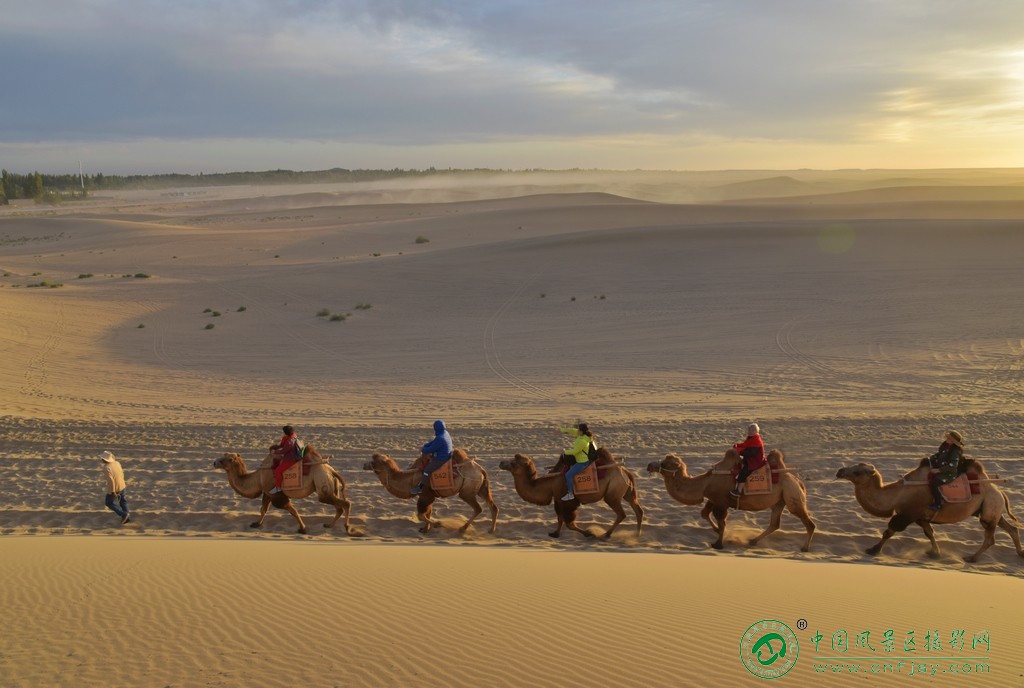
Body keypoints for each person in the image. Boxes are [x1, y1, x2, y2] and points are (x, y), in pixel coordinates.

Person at [410, 420, 453, 495]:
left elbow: (430, 449)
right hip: (445, 453)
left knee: (427, 470)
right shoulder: (445, 433)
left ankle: (420, 487)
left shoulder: (440, 438)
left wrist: (423, 449)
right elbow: (434, 442)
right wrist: (426, 444)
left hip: (442, 458)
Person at [927, 430, 964, 511]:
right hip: (942, 469)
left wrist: (939, 470)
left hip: (948, 473)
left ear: (953, 441)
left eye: (949, 438)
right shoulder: (945, 446)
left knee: (935, 483)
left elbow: (953, 466)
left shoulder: (955, 451)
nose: (947, 439)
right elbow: (939, 455)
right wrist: (932, 458)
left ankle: (938, 504)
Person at [559, 422, 596, 501]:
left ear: (582, 431)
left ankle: (570, 494)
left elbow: (575, 451)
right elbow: (572, 430)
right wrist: (561, 430)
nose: (577, 430)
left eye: (579, 429)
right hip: (578, 459)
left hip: (583, 462)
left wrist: (564, 452)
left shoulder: (583, 441)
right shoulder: (582, 435)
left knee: (568, 475)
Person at [730, 423, 766, 497]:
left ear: (757, 431)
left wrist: (740, 451)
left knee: (743, 473)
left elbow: (751, 453)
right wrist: (738, 446)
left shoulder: (757, 441)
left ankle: (738, 491)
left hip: (755, 461)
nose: (750, 431)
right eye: (749, 429)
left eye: (752, 430)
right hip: (750, 459)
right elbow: (745, 445)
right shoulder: (751, 438)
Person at [98, 450, 130, 524]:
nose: (101, 459)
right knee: (123, 502)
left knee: (108, 503)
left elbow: (111, 481)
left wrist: (113, 491)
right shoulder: (117, 463)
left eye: (102, 458)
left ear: (104, 459)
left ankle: (123, 514)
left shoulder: (106, 468)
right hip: (122, 485)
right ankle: (127, 518)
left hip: (115, 488)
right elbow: (122, 473)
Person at [269, 425, 303, 494]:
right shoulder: (293, 436)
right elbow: (282, 444)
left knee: (277, 471)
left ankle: (278, 488)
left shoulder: (290, 441)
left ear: (286, 433)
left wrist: (274, 452)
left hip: (290, 459)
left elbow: (283, 451)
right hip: (290, 456)